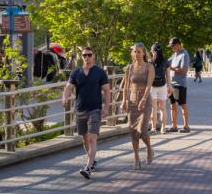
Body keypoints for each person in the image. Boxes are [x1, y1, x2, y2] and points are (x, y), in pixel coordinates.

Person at [62, 46, 111, 179]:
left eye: (89, 55)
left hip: (95, 109)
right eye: (84, 55)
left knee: (92, 138)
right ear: (81, 57)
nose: (87, 58)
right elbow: (68, 87)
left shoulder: (100, 72)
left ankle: (88, 167)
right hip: (80, 110)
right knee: (84, 139)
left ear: (93, 56)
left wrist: (106, 107)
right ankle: (92, 160)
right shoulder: (76, 73)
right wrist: (65, 97)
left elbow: (107, 90)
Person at [122, 42, 155, 168]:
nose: (137, 54)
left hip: (145, 100)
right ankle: (136, 158)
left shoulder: (149, 67)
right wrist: (124, 101)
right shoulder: (130, 68)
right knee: (133, 131)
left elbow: (149, 85)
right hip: (132, 100)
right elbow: (125, 87)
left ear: (144, 53)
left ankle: (149, 149)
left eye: (139, 52)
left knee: (142, 130)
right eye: (135, 52)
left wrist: (144, 99)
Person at [167, 37, 190, 132]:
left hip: (180, 84)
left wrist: (172, 68)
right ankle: (174, 126)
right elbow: (166, 63)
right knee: (172, 104)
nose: (171, 48)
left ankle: (186, 126)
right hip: (171, 84)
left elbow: (184, 71)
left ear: (177, 45)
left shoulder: (184, 55)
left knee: (182, 105)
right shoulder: (174, 54)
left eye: (172, 46)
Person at [149, 43, 171, 134]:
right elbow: (168, 76)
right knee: (163, 108)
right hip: (163, 86)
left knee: (153, 108)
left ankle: (153, 128)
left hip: (152, 86)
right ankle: (163, 128)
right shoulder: (166, 61)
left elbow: (148, 76)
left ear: (153, 51)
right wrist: (169, 86)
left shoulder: (150, 62)